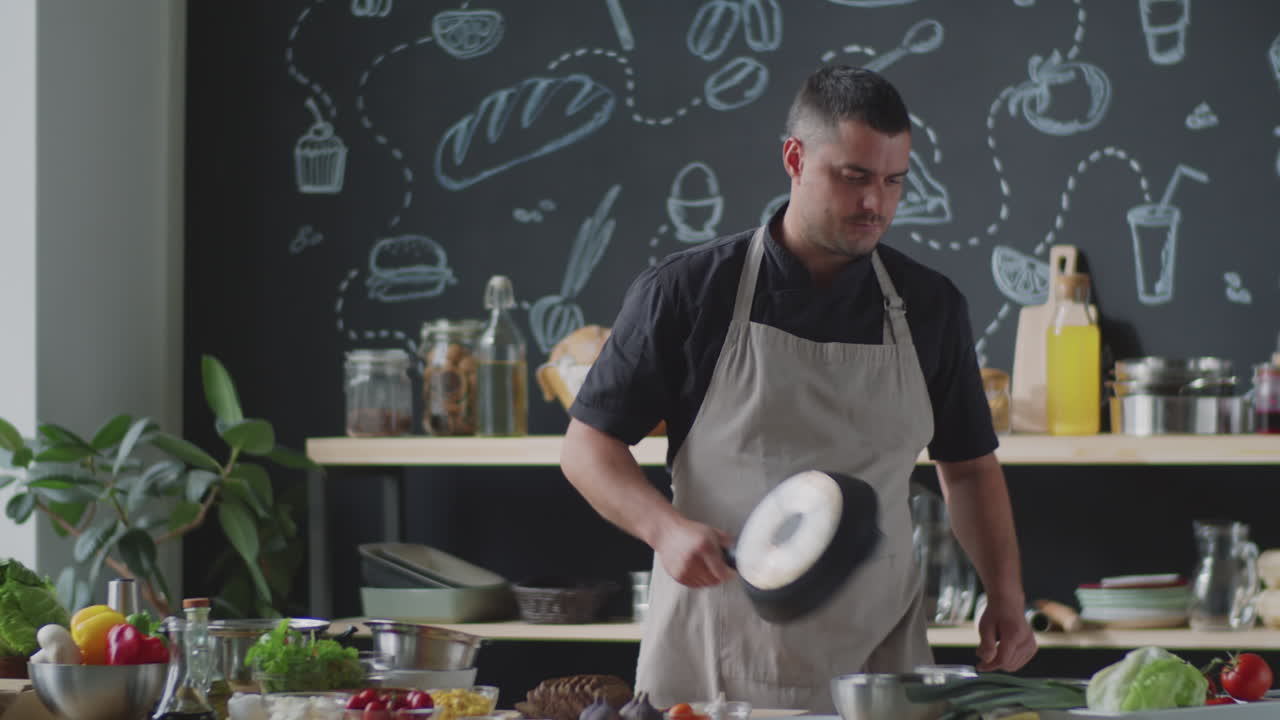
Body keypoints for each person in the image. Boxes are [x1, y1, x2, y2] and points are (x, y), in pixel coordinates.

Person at [560, 65, 1036, 711]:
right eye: (854, 177)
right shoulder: (688, 292)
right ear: (795, 157)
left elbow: (971, 469)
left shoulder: (930, 306)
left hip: (879, 662)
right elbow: (586, 447)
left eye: (894, 181)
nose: (877, 203)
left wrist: (1005, 598)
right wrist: (665, 530)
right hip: (715, 654)